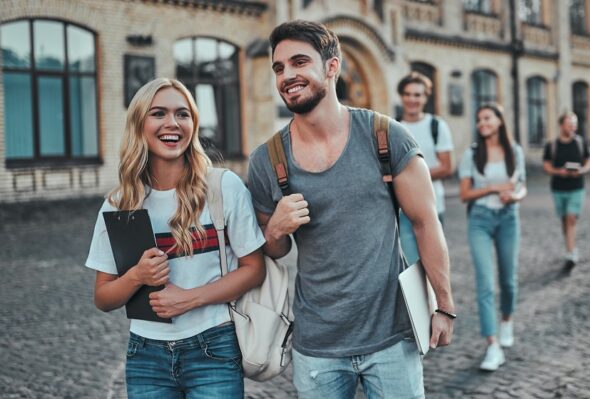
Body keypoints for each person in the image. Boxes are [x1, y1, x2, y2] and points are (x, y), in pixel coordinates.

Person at [247, 20, 454, 398]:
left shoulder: (385, 137)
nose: (287, 76)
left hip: (392, 338)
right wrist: (275, 230)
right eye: (279, 68)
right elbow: (274, 251)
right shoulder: (266, 160)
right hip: (317, 347)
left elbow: (425, 223)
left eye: (299, 62)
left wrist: (444, 305)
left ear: (331, 66)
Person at [85, 78, 267, 398]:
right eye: (159, 113)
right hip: (145, 356)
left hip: (213, 346)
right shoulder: (119, 203)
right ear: (140, 123)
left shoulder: (222, 187)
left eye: (182, 114)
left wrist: (191, 297)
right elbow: (103, 298)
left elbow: (254, 268)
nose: (172, 123)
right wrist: (137, 276)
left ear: (193, 124)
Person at [459, 104, 526, 372]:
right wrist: (494, 188)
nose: (482, 123)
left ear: (499, 120)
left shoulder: (514, 151)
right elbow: (465, 194)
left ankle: (507, 320)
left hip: (509, 217)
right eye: (479, 119)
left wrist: (515, 196)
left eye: (487, 118)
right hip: (480, 221)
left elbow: (520, 186)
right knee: (485, 283)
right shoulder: (472, 154)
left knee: (508, 280)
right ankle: (492, 345)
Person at [396, 71, 454, 265]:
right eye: (408, 94)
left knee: (433, 266)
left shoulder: (436, 125)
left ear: (425, 97)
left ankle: (436, 297)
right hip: (403, 211)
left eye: (418, 95)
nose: (412, 99)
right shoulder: (393, 126)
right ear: (402, 96)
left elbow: (446, 167)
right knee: (412, 268)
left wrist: (410, 177)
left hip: (433, 207)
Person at [542, 111, 590, 269]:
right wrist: (559, 172)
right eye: (570, 123)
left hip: (576, 186)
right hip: (558, 187)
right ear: (561, 125)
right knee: (564, 219)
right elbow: (546, 165)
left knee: (571, 218)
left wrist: (583, 170)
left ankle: (571, 253)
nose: (573, 127)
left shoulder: (580, 143)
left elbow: (588, 161)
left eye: (575, 124)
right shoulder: (552, 145)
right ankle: (570, 246)